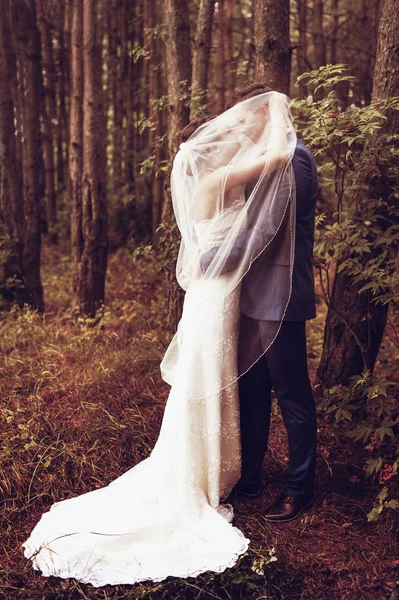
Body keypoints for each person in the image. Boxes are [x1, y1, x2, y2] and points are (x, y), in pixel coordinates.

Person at [22, 91, 297, 587]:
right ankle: (196, 478)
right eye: (218, 138)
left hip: (220, 297)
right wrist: (276, 106)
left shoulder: (218, 180)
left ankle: (213, 473)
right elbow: (276, 155)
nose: (227, 141)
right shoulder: (214, 180)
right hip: (214, 300)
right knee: (206, 381)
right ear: (204, 153)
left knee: (215, 382)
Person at [231, 84, 318, 523]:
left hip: (281, 299)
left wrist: (210, 259)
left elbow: (267, 233)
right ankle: (250, 476)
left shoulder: (295, 158)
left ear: (266, 112)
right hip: (252, 297)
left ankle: (301, 487)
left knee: (292, 395)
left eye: (247, 115)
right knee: (251, 390)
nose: (242, 124)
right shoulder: (268, 160)